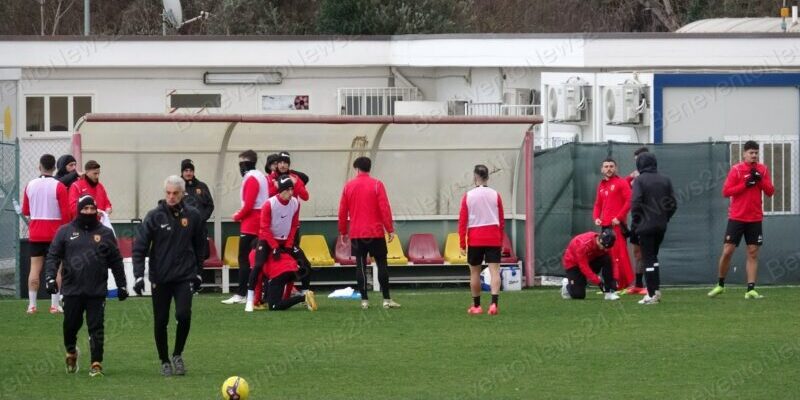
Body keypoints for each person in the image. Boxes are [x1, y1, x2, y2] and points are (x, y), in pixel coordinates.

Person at [44, 195, 128, 377]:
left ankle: (96, 363)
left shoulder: (105, 233)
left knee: (96, 327)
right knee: (70, 326)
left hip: (96, 289)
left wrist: (122, 285)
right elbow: (53, 256)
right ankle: (71, 352)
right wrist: (50, 278)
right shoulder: (65, 231)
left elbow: (116, 260)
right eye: (85, 209)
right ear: (78, 210)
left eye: (92, 209)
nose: (88, 212)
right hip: (72, 289)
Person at [132, 175, 205, 377]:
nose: (171, 197)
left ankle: (177, 355)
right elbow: (139, 247)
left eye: (175, 193)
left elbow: (200, 246)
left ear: (183, 194)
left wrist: (199, 273)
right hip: (160, 277)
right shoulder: (154, 216)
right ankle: (164, 360)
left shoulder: (194, 216)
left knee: (183, 315)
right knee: (160, 321)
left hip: (184, 276)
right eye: (168, 193)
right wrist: (138, 275)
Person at [708, 140, 774, 299]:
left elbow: (770, 191)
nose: (754, 156)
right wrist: (745, 184)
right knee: (728, 250)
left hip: (755, 218)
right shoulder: (736, 170)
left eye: (756, 153)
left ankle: (750, 289)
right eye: (751, 153)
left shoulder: (762, 170)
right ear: (744, 154)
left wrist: (760, 180)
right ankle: (720, 285)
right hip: (737, 217)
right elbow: (726, 192)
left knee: (752, 253)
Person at [246, 175, 317, 312]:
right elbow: (264, 228)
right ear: (282, 190)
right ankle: (250, 299)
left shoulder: (295, 203)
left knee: (305, 264)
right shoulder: (269, 204)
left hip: (285, 241)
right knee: (258, 265)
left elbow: (294, 225)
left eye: (292, 189)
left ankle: (305, 293)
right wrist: (274, 247)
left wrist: (289, 244)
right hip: (268, 239)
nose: (292, 192)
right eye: (289, 189)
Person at [338, 156, 400, 310]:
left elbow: (342, 211)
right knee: (382, 264)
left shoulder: (348, 186)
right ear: (369, 168)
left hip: (357, 232)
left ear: (356, 169)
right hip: (376, 232)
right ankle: (386, 299)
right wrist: (390, 229)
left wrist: (342, 231)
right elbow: (384, 208)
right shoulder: (377, 185)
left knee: (360, 266)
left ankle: (364, 301)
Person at [21, 154, 70, 314]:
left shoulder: (30, 185)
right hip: (55, 235)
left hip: (36, 233)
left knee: (35, 269)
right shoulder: (59, 186)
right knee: (56, 269)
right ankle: (54, 306)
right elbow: (66, 214)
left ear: (39, 166)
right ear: (55, 168)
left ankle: (32, 305)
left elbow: (26, 211)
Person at [630, 152, 677, 305]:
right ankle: (655, 290)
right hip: (661, 225)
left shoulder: (639, 180)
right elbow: (673, 204)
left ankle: (651, 294)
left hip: (645, 226)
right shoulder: (665, 179)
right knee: (654, 258)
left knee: (647, 258)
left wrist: (637, 220)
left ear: (640, 165)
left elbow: (636, 202)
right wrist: (665, 217)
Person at [222, 150, 268, 305]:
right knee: (256, 259)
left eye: (241, 163)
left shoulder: (251, 178)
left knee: (244, 259)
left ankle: (242, 293)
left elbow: (249, 205)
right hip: (259, 222)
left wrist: (237, 216)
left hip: (251, 224)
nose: (240, 167)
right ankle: (254, 291)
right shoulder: (261, 176)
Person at [458, 164, 505, 315]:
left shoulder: (468, 195)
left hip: (475, 238)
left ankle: (477, 306)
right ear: (488, 177)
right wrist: (500, 240)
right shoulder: (495, 194)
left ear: (475, 177)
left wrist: (462, 243)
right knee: (495, 271)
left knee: (474, 273)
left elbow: (462, 221)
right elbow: (501, 220)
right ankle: (494, 304)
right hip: (493, 237)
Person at [267, 151, 313, 293]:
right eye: (280, 162)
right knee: (268, 262)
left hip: (291, 230)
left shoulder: (295, 178)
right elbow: (266, 197)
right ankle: (266, 292)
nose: (282, 165)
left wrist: (296, 183)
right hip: (273, 232)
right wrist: (276, 186)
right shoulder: (269, 179)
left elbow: (305, 196)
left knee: (301, 262)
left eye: (285, 162)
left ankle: (303, 292)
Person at [592, 157, 633, 292]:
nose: (609, 169)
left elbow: (629, 201)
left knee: (619, 254)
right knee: (608, 255)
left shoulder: (621, 183)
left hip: (616, 226)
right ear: (602, 169)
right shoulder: (601, 185)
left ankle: (622, 284)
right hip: (605, 226)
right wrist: (596, 217)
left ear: (616, 168)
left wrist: (619, 217)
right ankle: (610, 284)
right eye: (606, 166)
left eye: (611, 166)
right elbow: (598, 204)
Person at [560, 229, 619, 300]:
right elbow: (583, 267)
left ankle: (608, 292)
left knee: (607, 258)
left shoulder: (607, 244)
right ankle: (567, 285)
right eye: (603, 247)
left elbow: (613, 262)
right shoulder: (582, 245)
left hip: (590, 261)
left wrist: (615, 279)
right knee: (578, 295)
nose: (605, 249)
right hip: (573, 265)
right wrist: (599, 282)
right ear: (599, 240)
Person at [623, 147, 650, 295]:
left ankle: (651, 284)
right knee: (637, 252)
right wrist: (630, 178)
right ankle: (638, 284)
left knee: (648, 252)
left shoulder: (651, 176)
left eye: (638, 160)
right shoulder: (634, 177)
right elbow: (625, 187)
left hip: (648, 218)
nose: (637, 163)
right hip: (636, 218)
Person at [180, 159, 215, 259]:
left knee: (200, 256)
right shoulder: (177, 186)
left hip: (200, 228)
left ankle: (199, 274)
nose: (188, 173)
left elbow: (210, 205)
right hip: (182, 229)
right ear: (182, 172)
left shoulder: (202, 186)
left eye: (190, 170)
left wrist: (202, 217)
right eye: (186, 170)